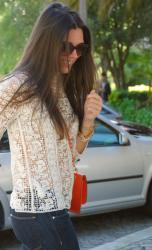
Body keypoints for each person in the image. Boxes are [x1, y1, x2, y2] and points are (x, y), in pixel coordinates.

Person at [0, 2, 102, 250]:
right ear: (47, 43)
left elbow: (72, 154)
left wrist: (87, 121)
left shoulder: (63, 90)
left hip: (57, 208)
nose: (75, 55)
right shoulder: (18, 86)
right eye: (68, 47)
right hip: (35, 212)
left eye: (81, 48)